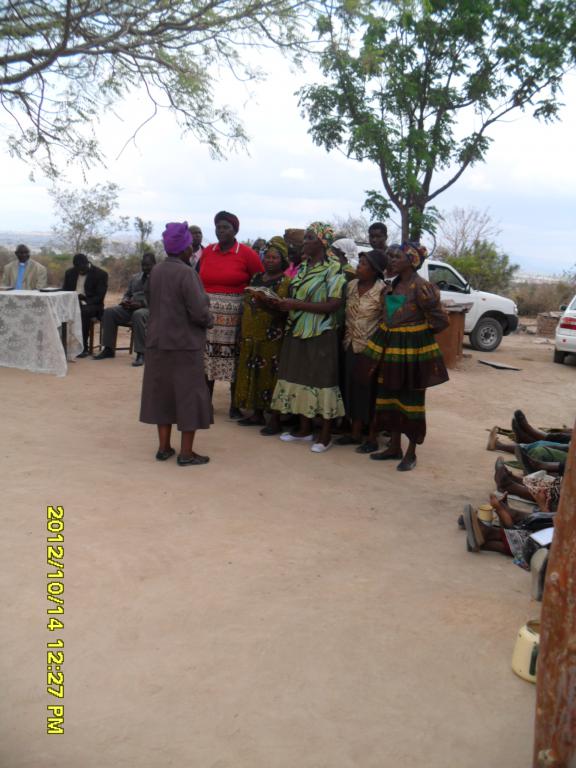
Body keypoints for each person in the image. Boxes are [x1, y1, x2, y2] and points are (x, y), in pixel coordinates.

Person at [362, 242, 449, 470]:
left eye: (396, 257)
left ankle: (411, 453)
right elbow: (390, 318)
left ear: (412, 261)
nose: (391, 260)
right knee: (390, 398)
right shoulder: (392, 286)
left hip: (412, 353)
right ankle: (394, 448)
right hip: (391, 351)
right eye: (390, 256)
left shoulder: (424, 288)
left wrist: (431, 307)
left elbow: (441, 323)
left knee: (411, 401)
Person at [140, 222, 213, 466]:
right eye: (190, 245)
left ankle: (163, 448)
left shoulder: (156, 271)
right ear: (184, 248)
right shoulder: (187, 273)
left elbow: (150, 300)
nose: (192, 249)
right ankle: (186, 453)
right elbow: (198, 311)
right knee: (188, 395)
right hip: (185, 345)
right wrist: (210, 319)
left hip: (157, 343)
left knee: (163, 393)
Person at [270, 222, 346, 453]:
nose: (305, 241)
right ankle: (304, 429)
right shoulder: (302, 267)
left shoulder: (334, 268)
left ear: (322, 242)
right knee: (300, 377)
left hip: (321, 331)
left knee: (322, 380)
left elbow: (333, 304)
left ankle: (325, 434)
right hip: (297, 329)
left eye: (310, 237)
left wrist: (296, 304)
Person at [199, 211, 263, 417]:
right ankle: (205, 404)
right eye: (218, 227)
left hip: (234, 318)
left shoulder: (246, 253)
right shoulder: (208, 251)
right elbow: (197, 278)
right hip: (208, 317)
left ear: (235, 230)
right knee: (207, 359)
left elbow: (260, 280)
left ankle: (235, 405)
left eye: (225, 227)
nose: (221, 231)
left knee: (234, 359)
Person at [233, 237, 291, 432]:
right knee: (252, 371)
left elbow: (283, 310)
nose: (270, 260)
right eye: (267, 257)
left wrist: (265, 302)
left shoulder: (285, 281)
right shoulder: (256, 277)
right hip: (250, 332)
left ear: (282, 261)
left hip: (271, 335)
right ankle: (256, 413)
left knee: (270, 374)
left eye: (275, 258)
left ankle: (274, 418)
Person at [337, 250, 387, 453]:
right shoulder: (350, 286)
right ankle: (354, 432)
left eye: (364, 264)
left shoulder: (383, 291)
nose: (359, 266)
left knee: (368, 392)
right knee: (351, 388)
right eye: (359, 262)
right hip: (350, 344)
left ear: (375, 270)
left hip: (369, 349)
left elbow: (387, 320)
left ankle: (371, 436)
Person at [94, 252, 156, 366]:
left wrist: (141, 304)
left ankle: (141, 353)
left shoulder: (160, 278)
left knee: (138, 314)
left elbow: (160, 298)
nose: (145, 268)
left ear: (154, 264)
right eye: (143, 265)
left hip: (149, 309)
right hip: (131, 307)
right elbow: (127, 293)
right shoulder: (135, 277)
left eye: (148, 265)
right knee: (109, 312)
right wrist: (125, 301)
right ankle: (108, 349)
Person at [62, 253, 108, 357]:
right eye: (77, 269)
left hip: (93, 305)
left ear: (87, 263)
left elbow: (99, 296)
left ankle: (83, 347)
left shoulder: (101, 274)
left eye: (82, 269)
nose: (80, 271)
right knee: (59, 310)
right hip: (73, 303)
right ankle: (63, 344)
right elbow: (65, 290)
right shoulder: (69, 273)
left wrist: (84, 300)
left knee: (83, 312)